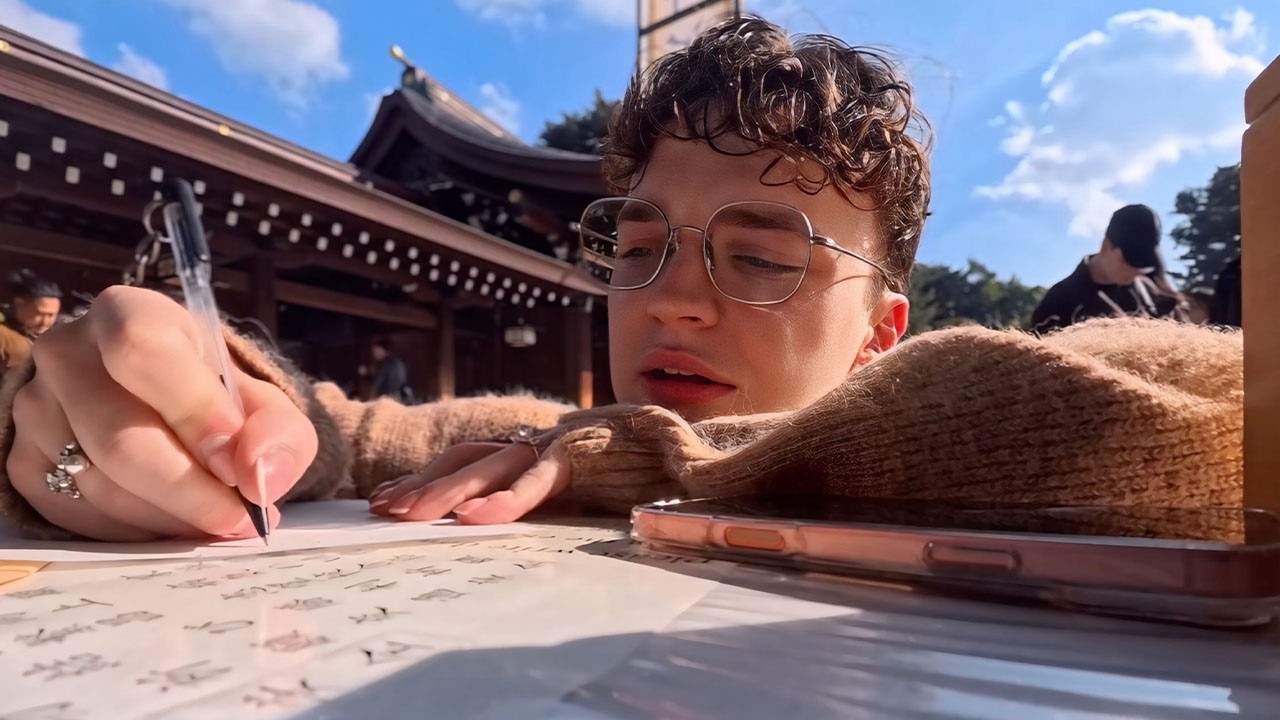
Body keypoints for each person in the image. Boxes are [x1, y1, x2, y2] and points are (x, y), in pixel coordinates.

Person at [0, 18, 1240, 543]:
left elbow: (1226, 419)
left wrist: (661, 456)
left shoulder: (594, 447)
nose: (674, 300)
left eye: (760, 257)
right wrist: (183, 410)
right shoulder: (537, 438)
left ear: (883, 330)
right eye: (638, 247)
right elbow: (349, 438)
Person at [1029, 204, 1185, 333]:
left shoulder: (1150, 293)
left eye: (1144, 265)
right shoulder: (1060, 301)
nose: (1137, 270)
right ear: (1106, 246)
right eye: (1130, 261)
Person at [0, 269, 62, 376]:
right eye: (39, 314)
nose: (45, 322)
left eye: (51, 315)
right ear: (19, 304)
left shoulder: (53, 339)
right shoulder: (3, 335)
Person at [364, 337, 413, 402]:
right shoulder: (399, 362)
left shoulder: (385, 364)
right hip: (400, 398)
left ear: (382, 349)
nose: (374, 354)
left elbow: (377, 382)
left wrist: (366, 374)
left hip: (389, 399)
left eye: (375, 351)